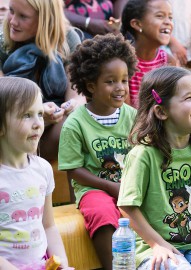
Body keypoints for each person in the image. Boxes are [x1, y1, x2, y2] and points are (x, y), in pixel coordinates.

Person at [117, 66, 191, 270]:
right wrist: (157, 244)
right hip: (152, 250)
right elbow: (127, 206)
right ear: (161, 111)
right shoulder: (144, 153)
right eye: (189, 97)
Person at [58, 34, 138, 270]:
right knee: (102, 212)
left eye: (124, 80)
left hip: (128, 185)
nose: (120, 87)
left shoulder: (131, 116)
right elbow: (73, 170)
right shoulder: (75, 123)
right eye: (111, 81)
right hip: (93, 188)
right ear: (91, 86)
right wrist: (110, 186)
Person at [0, 0, 84, 162]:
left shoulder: (68, 39)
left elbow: (77, 96)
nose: (12, 21)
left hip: (53, 125)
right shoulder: (1, 41)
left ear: (45, 19)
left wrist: (69, 107)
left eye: (23, 16)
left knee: (75, 123)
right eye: (11, 11)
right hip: (10, 123)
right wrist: (37, 112)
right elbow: (3, 101)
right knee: (22, 123)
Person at [0, 77, 69, 269]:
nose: (38, 123)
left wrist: (62, 263)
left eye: (40, 114)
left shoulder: (42, 169)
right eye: (26, 115)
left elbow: (49, 226)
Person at [121, 0, 176, 108]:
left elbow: (169, 105)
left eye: (170, 17)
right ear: (137, 24)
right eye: (160, 16)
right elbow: (125, 113)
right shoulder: (122, 62)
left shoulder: (168, 61)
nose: (168, 22)